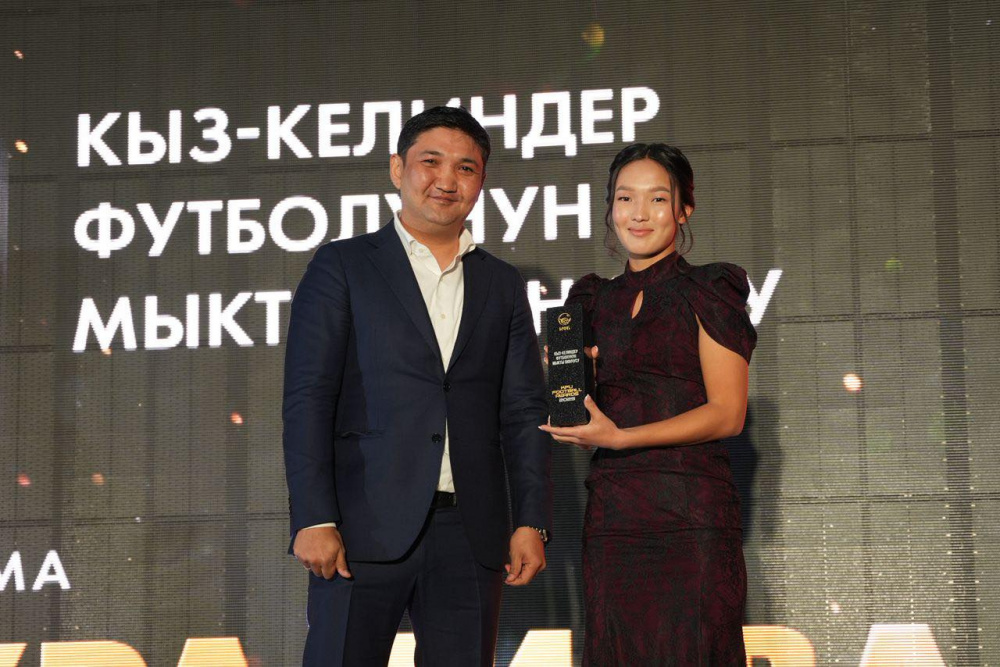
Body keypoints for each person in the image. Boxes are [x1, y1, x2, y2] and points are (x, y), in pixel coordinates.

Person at [283, 106, 552, 667]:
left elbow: (524, 410)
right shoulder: (343, 265)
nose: (447, 180)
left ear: (481, 181)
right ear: (396, 169)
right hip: (359, 528)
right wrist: (313, 516)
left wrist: (530, 520)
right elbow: (309, 397)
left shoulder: (502, 283)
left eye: (466, 168)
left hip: (470, 533)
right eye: (431, 162)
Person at [541, 143, 755, 665]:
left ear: (684, 209)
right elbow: (586, 413)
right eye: (624, 198)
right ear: (610, 208)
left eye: (657, 199)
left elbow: (728, 413)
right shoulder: (591, 300)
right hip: (614, 516)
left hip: (690, 514)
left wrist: (622, 438)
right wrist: (571, 384)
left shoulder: (710, 289)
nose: (639, 214)